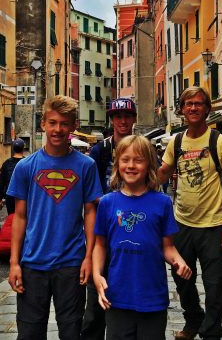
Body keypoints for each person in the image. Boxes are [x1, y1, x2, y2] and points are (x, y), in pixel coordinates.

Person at [7, 95, 103, 340]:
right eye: (52, 122)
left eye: (63, 123)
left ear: (73, 126)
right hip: (32, 264)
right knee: (29, 333)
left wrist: (89, 257)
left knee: (71, 331)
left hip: (71, 264)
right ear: (43, 124)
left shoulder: (86, 166)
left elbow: (91, 212)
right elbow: (19, 217)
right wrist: (14, 262)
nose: (57, 129)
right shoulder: (25, 167)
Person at [158, 86, 222, 340]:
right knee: (182, 280)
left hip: (214, 225)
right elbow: (163, 171)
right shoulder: (177, 141)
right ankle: (194, 319)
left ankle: (211, 332)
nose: (193, 108)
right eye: (188, 104)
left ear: (207, 108)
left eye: (198, 103)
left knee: (214, 286)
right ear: (181, 109)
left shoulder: (220, 142)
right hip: (182, 223)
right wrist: (136, 180)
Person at [93, 135, 192, 340]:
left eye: (138, 160)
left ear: (149, 165)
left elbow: (168, 246)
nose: (131, 165)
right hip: (117, 296)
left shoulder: (162, 203)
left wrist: (178, 261)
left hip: (152, 298)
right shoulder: (107, 203)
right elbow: (100, 245)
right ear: (117, 163)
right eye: (125, 159)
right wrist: (96, 274)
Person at [81, 97, 137, 340]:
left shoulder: (142, 147)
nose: (122, 121)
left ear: (133, 119)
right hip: (106, 231)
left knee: (131, 290)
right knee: (95, 297)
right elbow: (90, 191)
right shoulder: (100, 150)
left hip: (134, 230)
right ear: (112, 120)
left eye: (126, 116)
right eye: (117, 116)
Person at [0, 138, 25, 214]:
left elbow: (2, 182)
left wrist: (0, 198)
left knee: (12, 217)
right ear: (23, 148)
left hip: (10, 195)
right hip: (24, 195)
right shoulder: (27, 162)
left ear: (13, 149)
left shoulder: (6, 163)